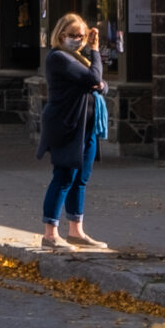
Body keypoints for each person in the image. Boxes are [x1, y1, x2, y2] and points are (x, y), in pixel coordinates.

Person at [41, 12, 106, 250]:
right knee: (64, 177)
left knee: (80, 179)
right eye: (73, 36)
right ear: (61, 35)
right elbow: (94, 78)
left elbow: (100, 84)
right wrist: (96, 51)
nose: (78, 40)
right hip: (66, 125)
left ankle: (76, 231)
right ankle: (50, 234)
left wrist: (98, 81)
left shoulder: (78, 58)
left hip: (85, 126)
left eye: (82, 35)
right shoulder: (59, 57)